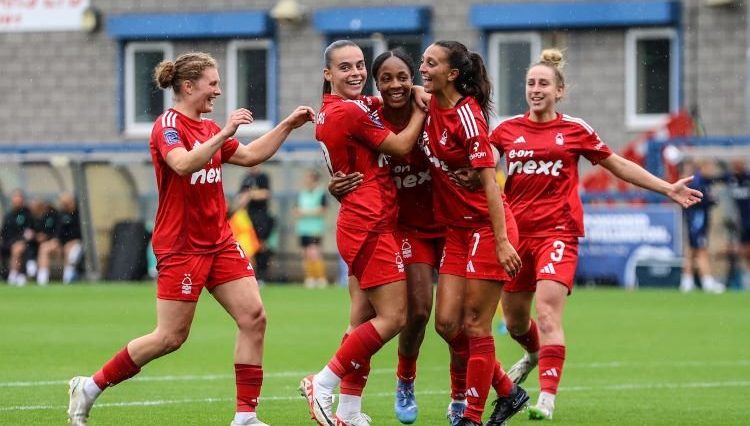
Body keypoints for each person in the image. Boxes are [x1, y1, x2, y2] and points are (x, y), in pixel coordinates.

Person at [67, 51, 314, 426]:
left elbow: (249, 156)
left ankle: (246, 416)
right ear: (188, 86)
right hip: (181, 246)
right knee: (170, 337)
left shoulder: (209, 128)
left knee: (254, 317)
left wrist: (287, 125)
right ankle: (90, 386)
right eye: (212, 83)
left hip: (219, 241)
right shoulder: (168, 125)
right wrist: (226, 132)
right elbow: (182, 163)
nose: (218, 91)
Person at [486, 48, 703, 421]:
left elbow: (617, 164)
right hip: (516, 236)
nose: (536, 89)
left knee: (549, 313)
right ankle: (535, 354)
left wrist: (666, 188)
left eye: (543, 84)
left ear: (559, 91)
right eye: (531, 83)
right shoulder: (506, 132)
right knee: (516, 320)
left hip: (558, 232)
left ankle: (546, 399)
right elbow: (480, 173)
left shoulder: (575, 130)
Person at [299, 40, 426, 426]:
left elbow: (380, 105)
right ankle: (321, 382)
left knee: (360, 322)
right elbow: (403, 147)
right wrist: (422, 110)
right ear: (328, 75)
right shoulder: (347, 113)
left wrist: (414, 88)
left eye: (359, 65)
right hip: (369, 223)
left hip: (364, 220)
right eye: (344, 67)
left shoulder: (342, 109)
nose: (355, 73)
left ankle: (350, 410)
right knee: (394, 318)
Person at [328, 48, 443, 425]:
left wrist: (423, 98)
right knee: (406, 313)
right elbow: (355, 159)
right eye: (386, 78)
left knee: (453, 320)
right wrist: (337, 184)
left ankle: (346, 408)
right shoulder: (364, 112)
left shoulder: (426, 104)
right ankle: (387, 383)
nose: (395, 84)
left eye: (403, 77)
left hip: (444, 220)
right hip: (391, 227)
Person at [419, 40, 526, 426]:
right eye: (422, 61)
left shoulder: (469, 116)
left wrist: (501, 241)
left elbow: (491, 184)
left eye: (430, 63)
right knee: (447, 324)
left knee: (476, 324)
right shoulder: (427, 100)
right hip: (456, 231)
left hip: (485, 227)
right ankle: (508, 391)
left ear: (452, 74)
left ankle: (473, 418)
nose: (422, 68)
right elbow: (399, 93)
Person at [679, 159, 724, 293]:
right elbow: (701, 200)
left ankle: (686, 281)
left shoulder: (702, 181)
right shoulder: (697, 182)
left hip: (695, 219)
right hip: (697, 220)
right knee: (701, 250)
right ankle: (707, 282)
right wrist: (710, 200)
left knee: (692, 251)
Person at [37, 192, 82, 285]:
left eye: (66, 203)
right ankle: (42, 280)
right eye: (63, 204)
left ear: (72, 202)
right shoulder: (60, 214)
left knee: (70, 249)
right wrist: (55, 240)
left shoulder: (80, 214)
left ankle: (68, 279)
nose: (64, 206)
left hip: (76, 244)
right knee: (44, 247)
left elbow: (82, 234)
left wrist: (73, 241)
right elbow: (57, 231)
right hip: (61, 244)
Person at [238, 166, 274, 283]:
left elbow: (265, 193)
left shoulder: (263, 177)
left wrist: (251, 194)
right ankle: (252, 276)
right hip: (249, 218)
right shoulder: (246, 178)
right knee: (250, 247)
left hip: (262, 217)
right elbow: (241, 199)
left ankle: (262, 275)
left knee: (261, 245)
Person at [295, 169, 328, 288]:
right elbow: (296, 209)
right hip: (303, 228)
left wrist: (305, 212)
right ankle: (309, 278)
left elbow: (322, 210)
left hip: (315, 228)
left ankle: (320, 278)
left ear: (315, 180)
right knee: (304, 254)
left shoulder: (320, 193)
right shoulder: (302, 193)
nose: (307, 181)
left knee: (314, 253)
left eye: (309, 179)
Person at [1, 189, 33, 286]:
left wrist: (24, 239)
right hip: (8, 243)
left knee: (17, 248)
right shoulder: (8, 215)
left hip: (23, 244)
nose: (17, 200)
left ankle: (13, 275)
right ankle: (4, 274)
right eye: (15, 197)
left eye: (19, 197)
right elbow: (4, 232)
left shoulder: (27, 214)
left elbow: (30, 232)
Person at [27, 197, 58, 285]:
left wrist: (49, 237)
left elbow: (57, 231)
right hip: (35, 245)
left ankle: (42, 278)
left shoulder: (53, 215)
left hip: (54, 243)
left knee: (44, 248)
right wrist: (34, 236)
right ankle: (21, 274)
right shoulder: (32, 218)